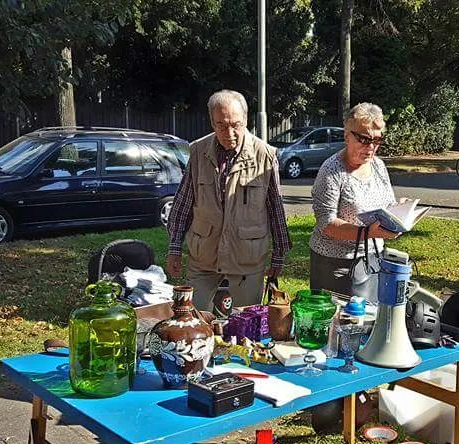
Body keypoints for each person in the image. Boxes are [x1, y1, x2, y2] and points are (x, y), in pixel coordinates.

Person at [166, 90, 291, 311]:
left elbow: (275, 209)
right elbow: (183, 203)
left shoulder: (265, 155)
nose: (229, 133)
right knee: (193, 318)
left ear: (246, 119)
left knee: (246, 321)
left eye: (236, 125)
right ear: (212, 122)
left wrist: (278, 256)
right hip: (203, 255)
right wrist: (174, 248)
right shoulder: (198, 151)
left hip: (247, 258)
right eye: (221, 125)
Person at [309, 102, 399, 299]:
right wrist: (366, 232)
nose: (371, 147)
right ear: (347, 136)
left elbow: (388, 205)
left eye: (377, 140)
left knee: (371, 314)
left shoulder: (378, 166)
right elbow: (326, 223)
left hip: (373, 258)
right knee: (341, 317)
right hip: (335, 264)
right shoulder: (331, 170)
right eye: (364, 139)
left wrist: (401, 211)